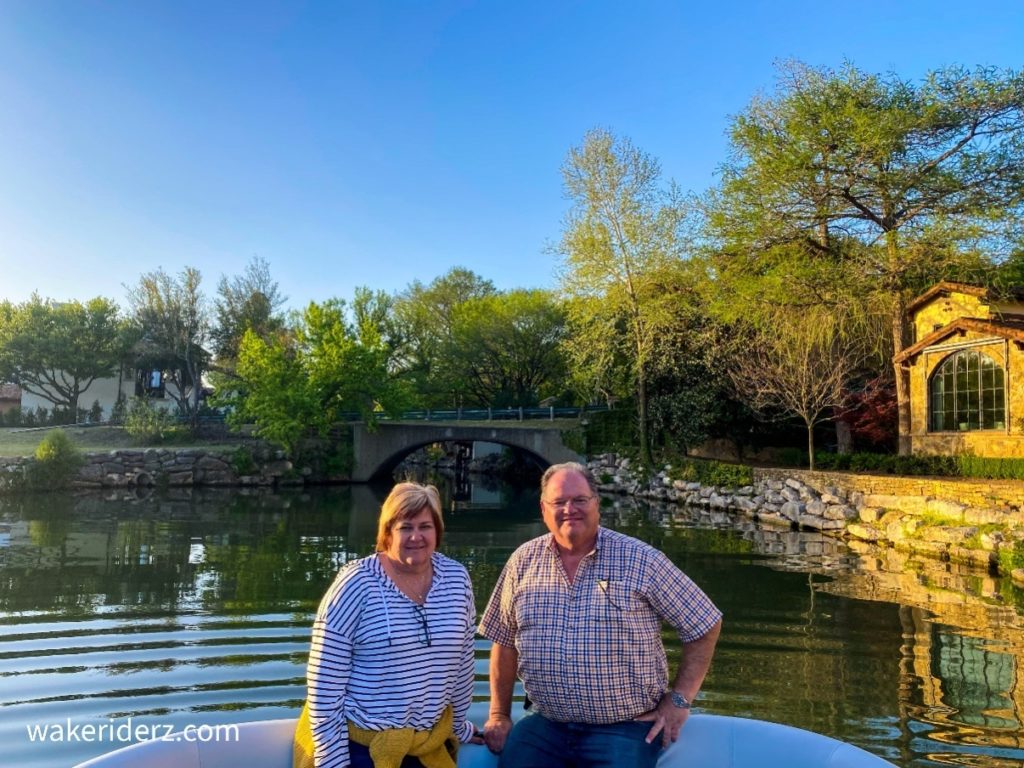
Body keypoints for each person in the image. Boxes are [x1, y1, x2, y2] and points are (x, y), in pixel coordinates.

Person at [479, 462, 723, 768]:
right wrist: (499, 715)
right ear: (543, 509)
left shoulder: (640, 559)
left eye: (580, 500)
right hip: (545, 723)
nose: (570, 509)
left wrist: (679, 700)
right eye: (559, 502)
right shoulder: (522, 562)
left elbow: (704, 623)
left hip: (625, 728)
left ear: (598, 504)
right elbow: (504, 641)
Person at [297, 482, 482, 768]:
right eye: (405, 527)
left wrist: (457, 727)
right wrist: (332, 763)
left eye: (425, 526)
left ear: (438, 531)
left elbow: (462, 667)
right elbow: (324, 685)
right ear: (387, 532)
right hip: (362, 744)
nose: (416, 537)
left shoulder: (457, 579)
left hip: (427, 741)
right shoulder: (356, 583)